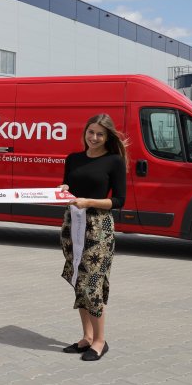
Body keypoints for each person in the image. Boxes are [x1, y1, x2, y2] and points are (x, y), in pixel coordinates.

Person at [58, 114, 127, 361]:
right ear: (85, 133)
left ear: (107, 136)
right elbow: (68, 185)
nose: (94, 138)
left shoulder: (114, 161)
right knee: (78, 280)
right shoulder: (73, 158)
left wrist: (89, 202)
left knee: (92, 283)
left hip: (98, 227)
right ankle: (86, 337)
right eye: (91, 132)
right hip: (72, 223)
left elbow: (119, 200)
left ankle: (100, 341)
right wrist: (64, 189)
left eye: (100, 134)